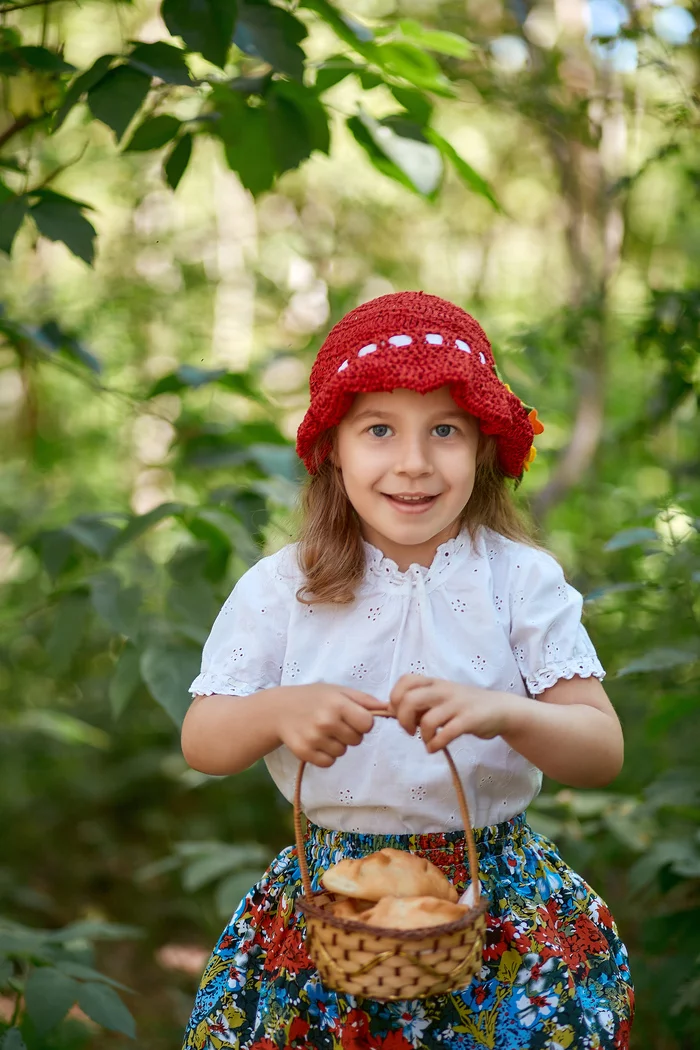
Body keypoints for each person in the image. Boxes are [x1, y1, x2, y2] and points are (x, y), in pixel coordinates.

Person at [180, 292, 634, 1050]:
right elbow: (204, 739)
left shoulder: (520, 582)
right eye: (380, 429)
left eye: (445, 430)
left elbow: (600, 750)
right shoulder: (279, 588)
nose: (414, 463)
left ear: (484, 446)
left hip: (495, 908)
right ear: (333, 448)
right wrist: (276, 712)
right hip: (331, 911)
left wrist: (507, 713)